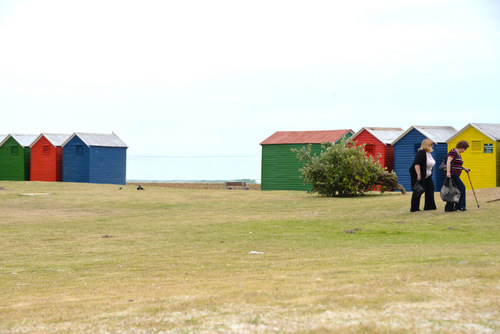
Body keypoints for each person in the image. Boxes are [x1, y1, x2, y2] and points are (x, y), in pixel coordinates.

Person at [409, 139, 437, 212]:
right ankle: (414, 208)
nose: (432, 146)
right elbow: (416, 164)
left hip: (428, 176)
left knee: (430, 189)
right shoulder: (421, 153)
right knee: (418, 190)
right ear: (428, 145)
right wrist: (419, 175)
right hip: (419, 175)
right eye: (431, 144)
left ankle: (429, 206)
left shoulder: (429, 154)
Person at [445, 140, 470, 212]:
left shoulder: (458, 154)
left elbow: (457, 164)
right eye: (465, 148)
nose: (465, 150)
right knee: (462, 187)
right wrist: (448, 172)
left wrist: (464, 168)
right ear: (462, 147)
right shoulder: (453, 152)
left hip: (456, 174)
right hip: (452, 174)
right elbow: (448, 161)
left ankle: (449, 208)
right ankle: (460, 206)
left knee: (453, 190)